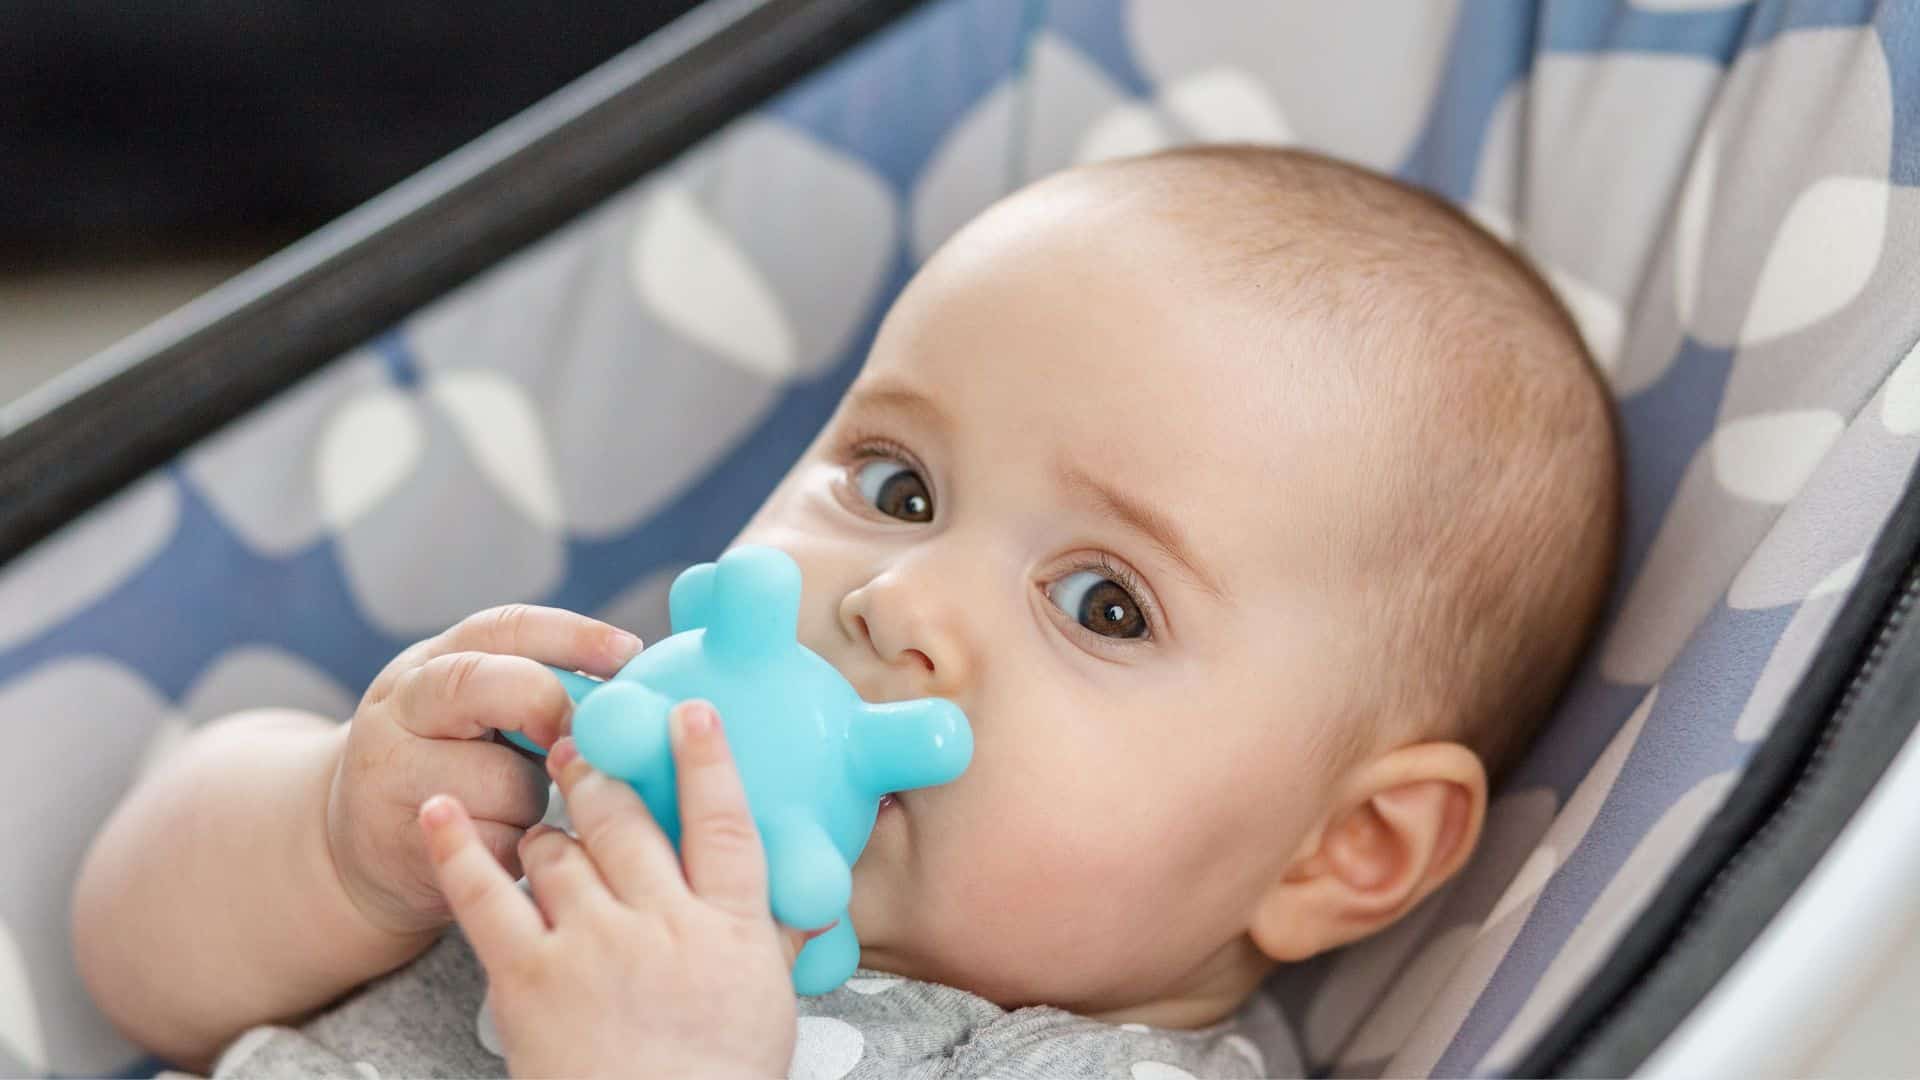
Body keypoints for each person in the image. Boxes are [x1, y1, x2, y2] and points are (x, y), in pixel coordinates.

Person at [74, 145, 1620, 1078]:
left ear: (1343, 850)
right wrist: (338, 844)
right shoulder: (584, 783)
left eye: (1104, 604)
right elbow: (130, 963)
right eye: (896, 485)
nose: (895, 599)